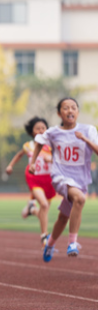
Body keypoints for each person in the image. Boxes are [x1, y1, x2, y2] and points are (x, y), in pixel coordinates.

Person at [30, 98, 98, 262]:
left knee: (63, 217)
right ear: (59, 113)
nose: (70, 111)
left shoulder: (88, 130)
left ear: (78, 112)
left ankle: (50, 244)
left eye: (73, 108)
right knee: (80, 199)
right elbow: (39, 142)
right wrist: (32, 163)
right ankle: (72, 243)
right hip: (60, 177)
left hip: (80, 180)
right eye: (66, 108)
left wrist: (86, 140)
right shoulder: (53, 132)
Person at [6, 116, 57, 246]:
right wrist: (10, 165)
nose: (40, 130)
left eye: (43, 128)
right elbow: (19, 155)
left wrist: (50, 158)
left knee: (43, 213)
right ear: (31, 132)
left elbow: (58, 158)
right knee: (44, 205)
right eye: (37, 128)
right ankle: (44, 237)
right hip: (34, 179)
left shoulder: (51, 145)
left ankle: (32, 210)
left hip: (49, 180)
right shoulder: (29, 146)